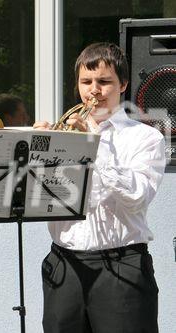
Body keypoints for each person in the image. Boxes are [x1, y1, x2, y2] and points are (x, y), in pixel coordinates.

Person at [34, 42, 165, 332]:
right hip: (65, 263)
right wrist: (36, 151)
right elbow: (40, 197)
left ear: (123, 85)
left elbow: (136, 197)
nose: (94, 90)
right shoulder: (62, 133)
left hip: (121, 266)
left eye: (104, 82)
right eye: (86, 81)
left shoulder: (145, 138)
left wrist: (94, 145)